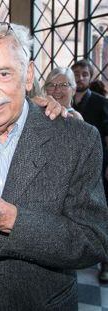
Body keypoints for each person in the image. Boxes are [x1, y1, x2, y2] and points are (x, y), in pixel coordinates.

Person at [0, 22, 108, 310]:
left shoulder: (76, 138)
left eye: (3, 73)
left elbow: (93, 240)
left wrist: (11, 220)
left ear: (28, 75)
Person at [72, 60, 108, 282]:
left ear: (91, 76)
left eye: (85, 74)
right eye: (76, 74)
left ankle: (106, 263)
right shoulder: (64, 102)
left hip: (99, 167)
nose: (80, 78)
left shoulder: (101, 103)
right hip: (76, 170)